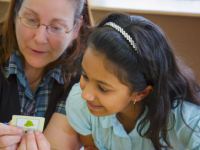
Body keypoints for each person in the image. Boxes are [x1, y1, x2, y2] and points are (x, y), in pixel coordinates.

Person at [64, 13, 200, 150]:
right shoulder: (81, 105)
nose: (85, 94)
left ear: (141, 93)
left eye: (103, 88)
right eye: (85, 76)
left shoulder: (189, 123)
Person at [0, 0, 92, 149]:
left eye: (56, 27)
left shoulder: (85, 75)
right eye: (30, 19)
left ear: (76, 28)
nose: (39, 38)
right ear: (15, 13)